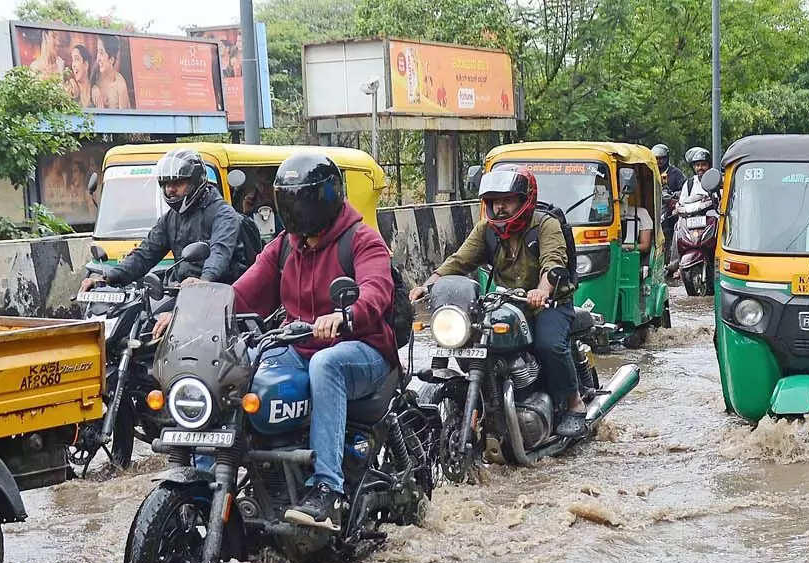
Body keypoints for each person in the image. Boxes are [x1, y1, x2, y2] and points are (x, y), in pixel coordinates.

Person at [230, 153, 397, 533]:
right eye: (287, 202)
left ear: (325, 197)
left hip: (362, 349)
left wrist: (345, 315)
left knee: (328, 365)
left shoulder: (361, 239)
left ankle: (326, 489)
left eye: (300, 201)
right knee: (246, 362)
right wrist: (196, 308)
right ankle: (220, 467)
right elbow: (245, 291)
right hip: (299, 345)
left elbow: (376, 290)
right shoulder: (286, 245)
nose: (294, 211)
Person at [409, 165, 587, 438]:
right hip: (506, 304)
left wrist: (542, 291)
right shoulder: (487, 230)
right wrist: (428, 284)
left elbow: (553, 263)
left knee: (548, 345)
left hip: (547, 304)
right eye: (494, 202)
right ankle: (484, 406)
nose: (500, 208)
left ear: (524, 200)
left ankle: (575, 403)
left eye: (507, 201)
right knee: (469, 340)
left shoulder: (545, 225)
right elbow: (459, 260)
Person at [83, 149, 246, 296]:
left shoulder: (223, 214)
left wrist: (206, 279)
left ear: (195, 181)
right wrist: (108, 278)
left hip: (219, 296)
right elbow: (145, 254)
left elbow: (220, 250)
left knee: (160, 327)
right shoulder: (171, 218)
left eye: (177, 183)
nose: (170, 189)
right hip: (186, 292)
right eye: (166, 184)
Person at [92, 35, 131, 110]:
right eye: (97, 52)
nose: (98, 58)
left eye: (101, 53)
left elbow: (124, 118)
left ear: (111, 60)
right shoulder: (95, 76)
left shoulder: (119, 83)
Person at [67, 43, 95, 107]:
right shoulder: (71, 90)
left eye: (76, 59)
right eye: (72, 60)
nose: (73, 65)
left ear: (86, 64)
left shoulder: (94, 92)